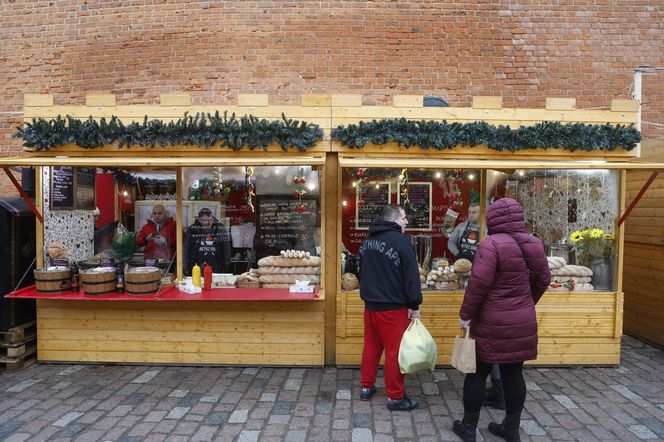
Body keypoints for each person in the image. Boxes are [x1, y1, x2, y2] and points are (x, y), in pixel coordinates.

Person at [452, 198, 551, 442]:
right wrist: (527, 302)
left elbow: (478, 286)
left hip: (490, 320)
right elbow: (544, 279)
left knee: (476, 373)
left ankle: (468, 427)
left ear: (493, 219)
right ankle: (511, 428)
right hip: (522, 319)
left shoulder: (491, 245)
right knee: (514, 373)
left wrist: (466, 315)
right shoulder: (535, 244)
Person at [358, 204, 422, 411]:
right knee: (395, 352)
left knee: (371, 347)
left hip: (371, 305)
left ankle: (366, 387)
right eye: (404, 218)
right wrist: (414, 304)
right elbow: (412, 276)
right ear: (393, 219)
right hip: (393, 307)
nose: (406, 221)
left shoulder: (367, 241)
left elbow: (359, 269)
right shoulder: (402, 243)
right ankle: (395, 398)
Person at [184, 208, 231, 275]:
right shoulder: (192, 229)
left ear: (212, 218)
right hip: (196, 264)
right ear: (199, 220)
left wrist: (226, 264)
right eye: (204, 220)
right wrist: (185, 266)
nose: (207, 223)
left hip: (216, 264)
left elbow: (226, 247)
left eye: (209, 220)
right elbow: (186, 248)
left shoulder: (219, 228)